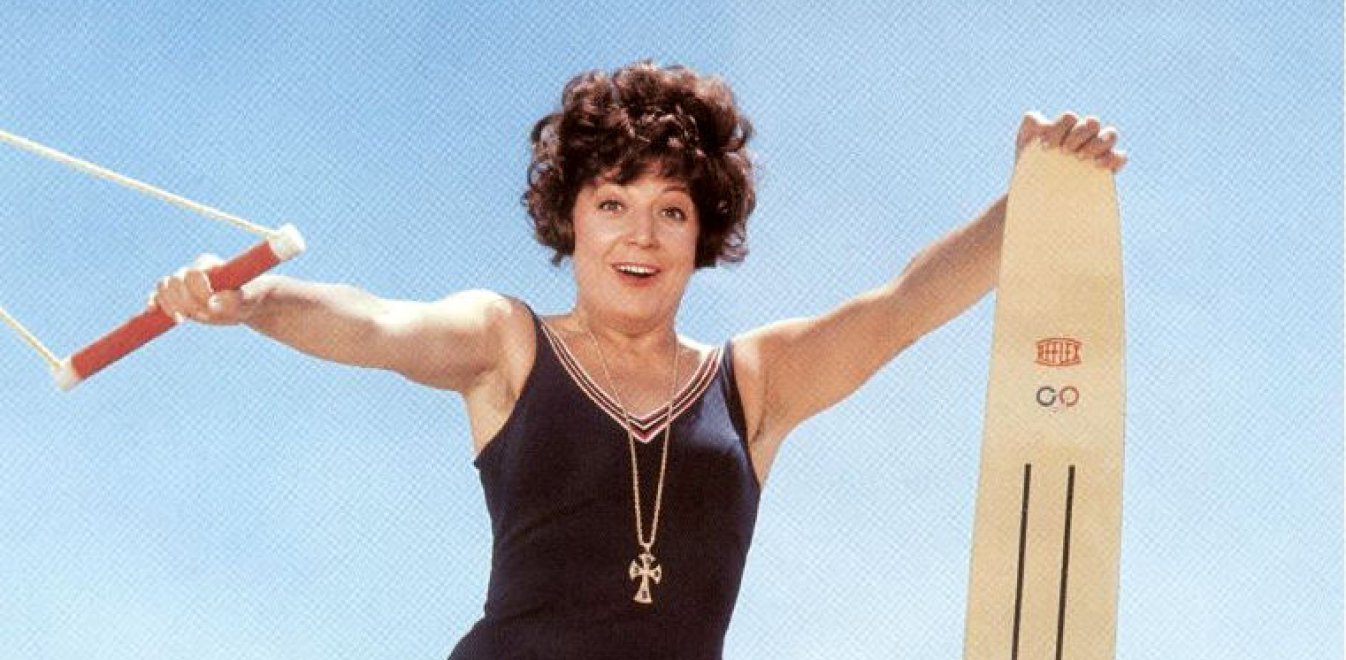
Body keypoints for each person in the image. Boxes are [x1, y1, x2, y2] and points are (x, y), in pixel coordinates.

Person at [150, 61, 1126, 659]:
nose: (640, 235)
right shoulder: (507, 343)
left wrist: (1031, 201)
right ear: (569, 219)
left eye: (672, 210)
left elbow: (902, 308)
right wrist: (256, 301)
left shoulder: (752, 383)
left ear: (704, 233)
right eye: (612, 203)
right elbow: (376, 325)